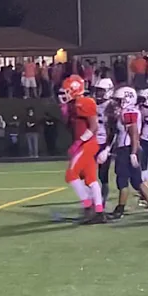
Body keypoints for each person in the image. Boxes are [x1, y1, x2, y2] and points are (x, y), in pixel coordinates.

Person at [102, 87, 148, 220]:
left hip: (127, 149)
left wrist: (133, 152)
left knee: (122, 180)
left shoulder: (128, 112)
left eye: (119, 100)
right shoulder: (129, 111)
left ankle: (120, 209)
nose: (116, 103)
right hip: (129, 148)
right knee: (136, 181)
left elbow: (133, 133)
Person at [59, 75, 106, 224]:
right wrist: (64, 111)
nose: (64, 94)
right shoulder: (74, 104)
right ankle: (99, 211)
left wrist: (79, 142)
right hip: (83, 143)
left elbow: (94, 127)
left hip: (87, 144)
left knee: (71, 175)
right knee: (91, 179)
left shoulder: (85, 102)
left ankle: (88, 206)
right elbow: (70, 127)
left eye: (67, 90)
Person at [90, 77, 115, 207]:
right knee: (88, 174)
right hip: (92, 143)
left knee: (102, 175)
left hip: (104, 143)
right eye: (97, 91)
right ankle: (93, 201)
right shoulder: (92, 104)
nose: (98, 93)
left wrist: (108, 149)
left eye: (101, 91)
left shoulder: (111, 106)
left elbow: (114, 129)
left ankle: (102, 202)